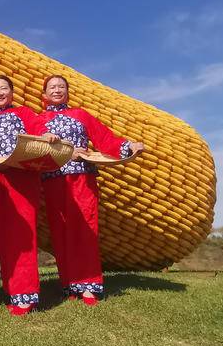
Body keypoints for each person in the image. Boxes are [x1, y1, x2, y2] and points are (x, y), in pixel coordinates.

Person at [38, 75, 145, 305]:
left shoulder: (80, 115)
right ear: (44, 94)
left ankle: (89, 286)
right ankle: (69, 284)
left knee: (85, 229)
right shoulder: (39, 121)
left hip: (81, 178)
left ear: (67, 92)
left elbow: (105, 139)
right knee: (61, 232)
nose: (57, 90)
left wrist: (129, 146)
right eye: (52, 87)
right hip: (53, 180)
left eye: (61, 87)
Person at [0, 75, 60, 316]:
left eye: (4, 88)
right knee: (4, 233)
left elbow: (39, 133)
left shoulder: (24, 114)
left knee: (23, 234)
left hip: (23, 180)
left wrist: (47, 136)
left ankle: (26, 295)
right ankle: (12, 289)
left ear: (12, 93)